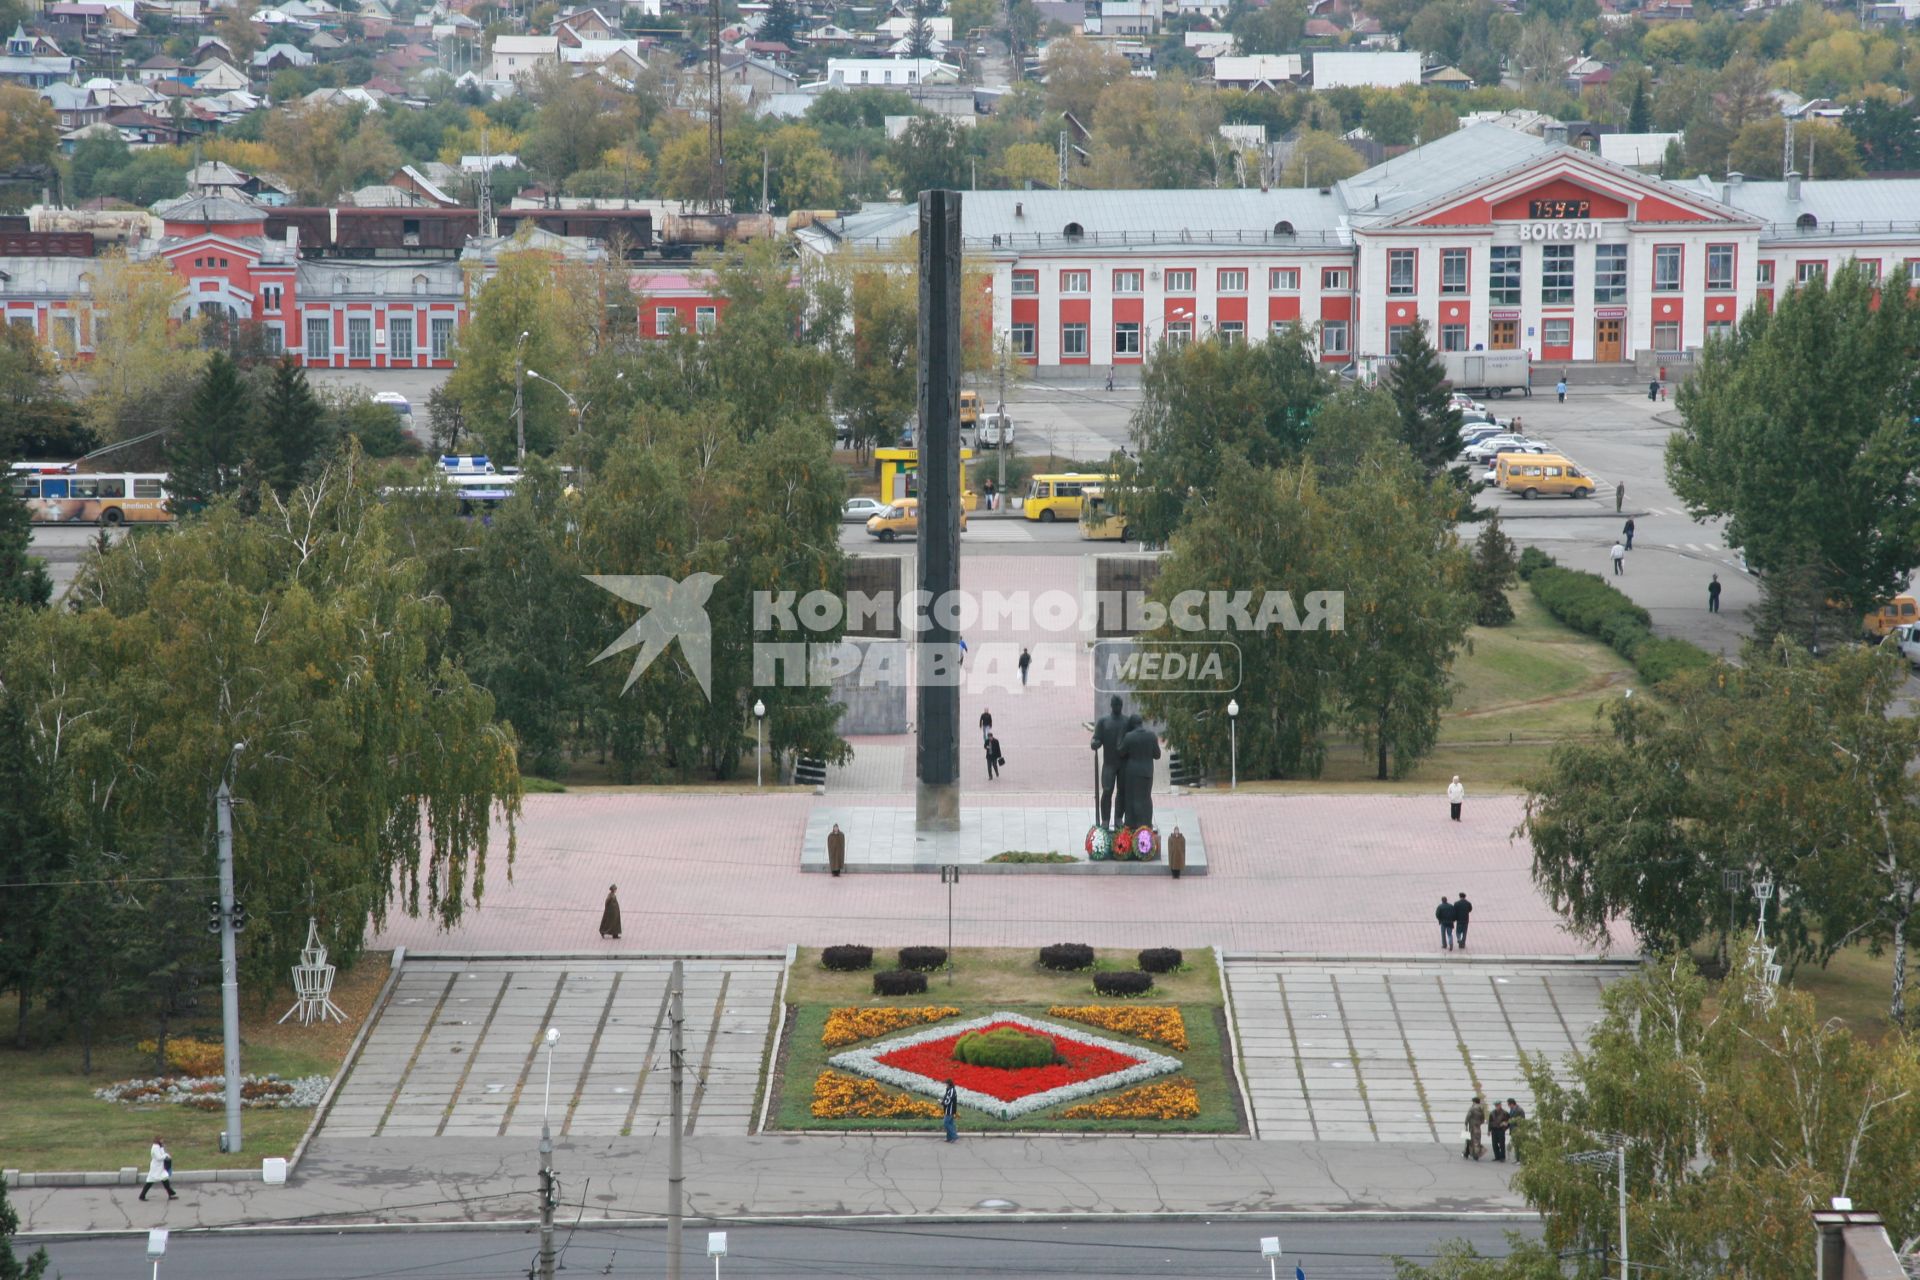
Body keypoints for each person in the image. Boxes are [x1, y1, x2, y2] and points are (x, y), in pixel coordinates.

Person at [1091, 695, 1128, 827]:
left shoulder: (1126, 722)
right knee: (1107, 791)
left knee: (1122, 791)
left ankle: (1118, 817)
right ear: (1111, 706)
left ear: (1121, 706)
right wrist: (1095, 742)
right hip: (1109, 763)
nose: (1117, 707)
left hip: (1123, 763)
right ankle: (1105, 819)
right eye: (1115, 705)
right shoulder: (1103, 722)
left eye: (1119, 705)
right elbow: (1096, 738)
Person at [140, 1137, 176, 1201]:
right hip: (156, 1168)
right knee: (150, 1181)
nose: (163, 1140)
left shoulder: (159, 1146)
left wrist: (164, 1151)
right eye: (161, 1139)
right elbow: (159, 1158)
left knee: (165, 1179)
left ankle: (170, 1193)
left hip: (160, 1168)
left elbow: (162, 1154)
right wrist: (166, 1155)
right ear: (158, 1140)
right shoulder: (155, 1147)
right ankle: (142, 1195)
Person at [1505, 1098, 1526, 1164]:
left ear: (1512, 1103)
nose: (1508, 1106)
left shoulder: (1519, 1110)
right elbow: (1511, 1119)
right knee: (1516, 1145)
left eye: (1508, 1104)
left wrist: (1520, 1129)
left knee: (1519, 1145)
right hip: (1512, 1129)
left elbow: (1522, 1121)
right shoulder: (1512, 1109)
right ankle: (1517, 1159)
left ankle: (1520, 1160)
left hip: (1518, 1129)